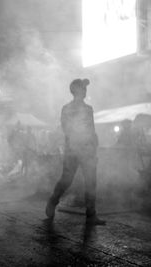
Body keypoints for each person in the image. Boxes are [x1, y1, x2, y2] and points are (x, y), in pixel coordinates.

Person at [45, 78, 105, 225]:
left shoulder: (88, 109)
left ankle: (91, 215)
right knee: (67, 180)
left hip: (87, 150)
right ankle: (53, 201)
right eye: (83, 88)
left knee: (91, 182)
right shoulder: (67, 108)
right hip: (73, 149)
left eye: (85, 89)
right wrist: (78, 143)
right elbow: (66, 129)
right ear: (76, 91)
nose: (85, 91)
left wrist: (93, 148)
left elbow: (92, 130)